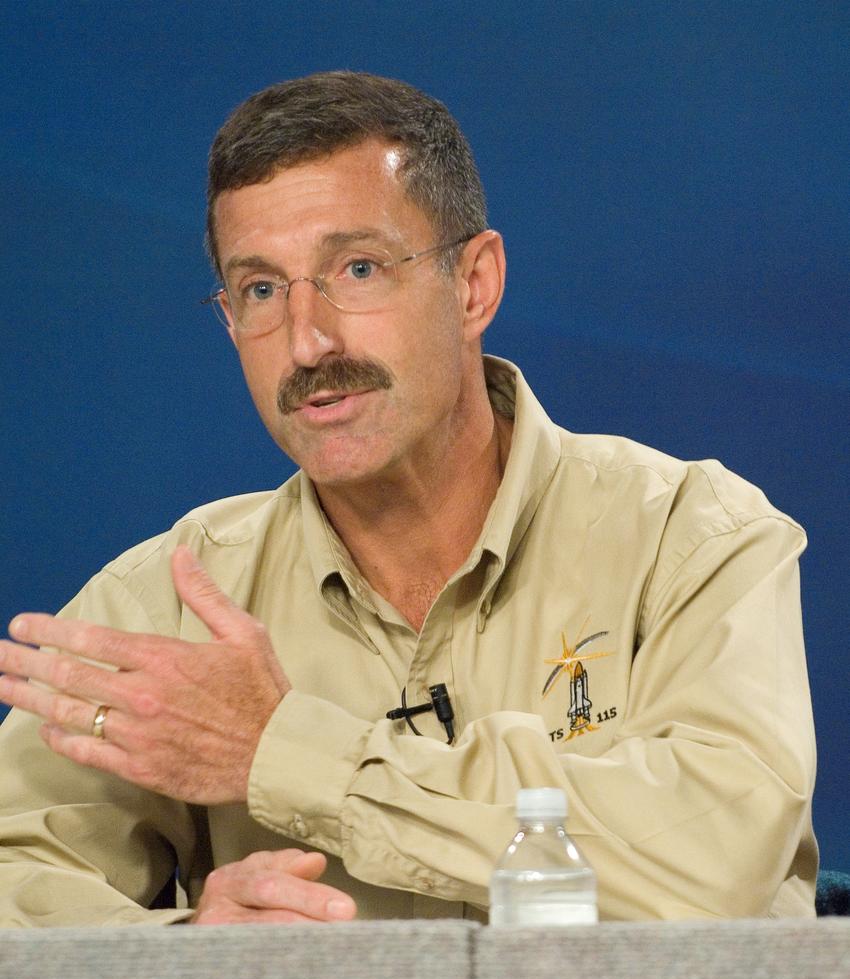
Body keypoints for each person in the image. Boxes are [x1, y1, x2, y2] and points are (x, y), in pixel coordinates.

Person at [0, 71, 817, 927]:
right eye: (261, 290)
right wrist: (186, 953)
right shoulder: (166, 604)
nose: (308, 342)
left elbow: (719, 861)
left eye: (357, 268)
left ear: (474, 285)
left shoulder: (689, 537)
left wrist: (285, 755)